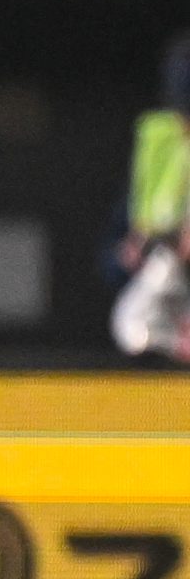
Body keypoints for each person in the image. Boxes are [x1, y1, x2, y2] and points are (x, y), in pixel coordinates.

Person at [111, 34, 190, 362]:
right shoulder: (160, 133)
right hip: (169, 253)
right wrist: (139, 236)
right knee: (130, 325)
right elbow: (152, 196)